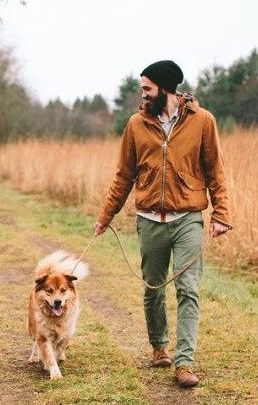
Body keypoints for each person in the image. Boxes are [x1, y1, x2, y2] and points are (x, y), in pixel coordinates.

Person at [94, 60, 231, 388]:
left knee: (188, 289)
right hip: (150, 220)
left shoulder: (203, 122)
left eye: (147, 88)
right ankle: (159, 347)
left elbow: (215, 171)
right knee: (152, 287)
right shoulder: (135, 125)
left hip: (188, 219)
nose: (142, 94)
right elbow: (123, 176)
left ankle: (184, 362)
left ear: (167, 89)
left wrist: (221, 215)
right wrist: (105, 216)